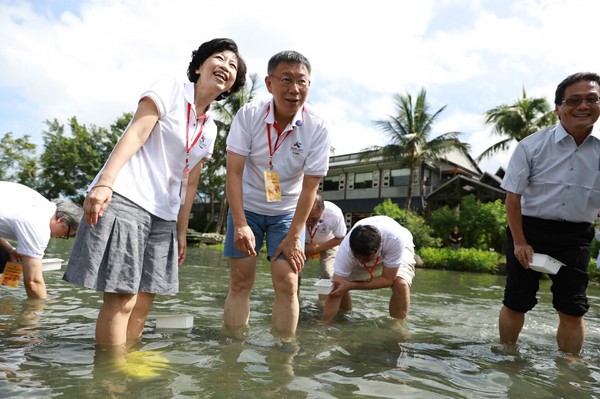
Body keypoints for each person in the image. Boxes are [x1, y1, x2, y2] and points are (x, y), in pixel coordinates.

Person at [63, 38, 247, 350]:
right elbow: (136, 132)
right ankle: (110, 379)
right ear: (199, 65)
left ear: (231, 86)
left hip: (165, 216)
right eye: (219, 58)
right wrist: (104, 183)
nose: (225, 67)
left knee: (145, 301)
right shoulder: (171, 88)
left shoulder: (211, 129)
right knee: (122, 298)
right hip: (129, 198)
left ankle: (127, 362)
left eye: (233, 66)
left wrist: (182, 230)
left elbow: (190, 182)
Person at [223, 50, 332, 338]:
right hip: (246, 209)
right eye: (286, 79)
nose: (294, 89)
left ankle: (283, 358)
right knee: (240, 280)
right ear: (269, 83)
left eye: (302, 81)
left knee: (288, 282)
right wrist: (241, 223)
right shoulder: (248, 115)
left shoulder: (317, 127)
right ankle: (233, 350)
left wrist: (296, 235)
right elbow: (233, 172)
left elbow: (310, 187)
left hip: (286, 214)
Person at [498, 72, 600, 356]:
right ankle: (507, 353)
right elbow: (513, 197)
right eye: (574, 100)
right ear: (558, 108)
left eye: (592, 99)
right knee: (516, 300)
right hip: (529, 230)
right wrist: (519, 241)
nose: (583, 106)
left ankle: (569, 368)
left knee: (573, 306)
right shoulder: (531, 146)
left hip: (576, 236)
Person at [321, 215, 416, 324]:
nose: (361, 262)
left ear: (379, 248)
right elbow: (336, 289)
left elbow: (388, 279)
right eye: (357, 258)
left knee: (401, 284)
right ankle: (343, 315)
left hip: (399, 247)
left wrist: (351, 285)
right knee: (339, 285)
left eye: (365, 259)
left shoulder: (395, 240)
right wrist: (324, 324)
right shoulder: (345, 250)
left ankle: (398, 324)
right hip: (365, 251)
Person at [0, 181, 82, 299]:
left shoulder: (41, 203)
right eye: (66, 234)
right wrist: (43, 312)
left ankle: (5, 299)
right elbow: (33, 282)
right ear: (61, 221)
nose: (61, 237)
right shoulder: (40, 227)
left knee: (8, 259)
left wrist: (10, 250)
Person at [303, 195, 346, 301]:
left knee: (328, 273)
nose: (308, 222)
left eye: (313, 218)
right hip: (301, 242)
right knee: (293, 271)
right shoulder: (294, 210)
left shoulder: (334, 213)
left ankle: (324, 305)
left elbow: (340, 238)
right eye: (306, 217)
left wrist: (315, 249)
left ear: (322, 211)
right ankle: (293, 301)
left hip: (328, 242)